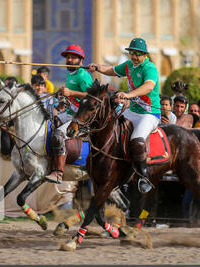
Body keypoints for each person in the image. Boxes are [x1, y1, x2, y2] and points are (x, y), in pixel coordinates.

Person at [88, 37, 160, 193]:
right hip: (132, 111)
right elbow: (112, 70)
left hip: (149, 113)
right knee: (110, 128)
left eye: (138, 54)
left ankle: (143, 177)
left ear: (145, 55)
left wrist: (128, 95)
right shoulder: (128, 65)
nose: (134, 56)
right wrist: (97, 67)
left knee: (136, 140)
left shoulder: (150, 68)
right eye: (132, 53)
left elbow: (148, 87)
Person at [46, 44, 92, 183]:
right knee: (50, 124)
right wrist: (64, 94)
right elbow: (72, 96)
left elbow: (91, 97)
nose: (69, 60)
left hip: (81, 117)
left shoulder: (83, 76)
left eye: (73, 57)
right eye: (68, 58)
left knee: (59, 134)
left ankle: (59, 172)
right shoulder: (71, 74)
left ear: (81, 61)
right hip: (70, 112)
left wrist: (71, 92)